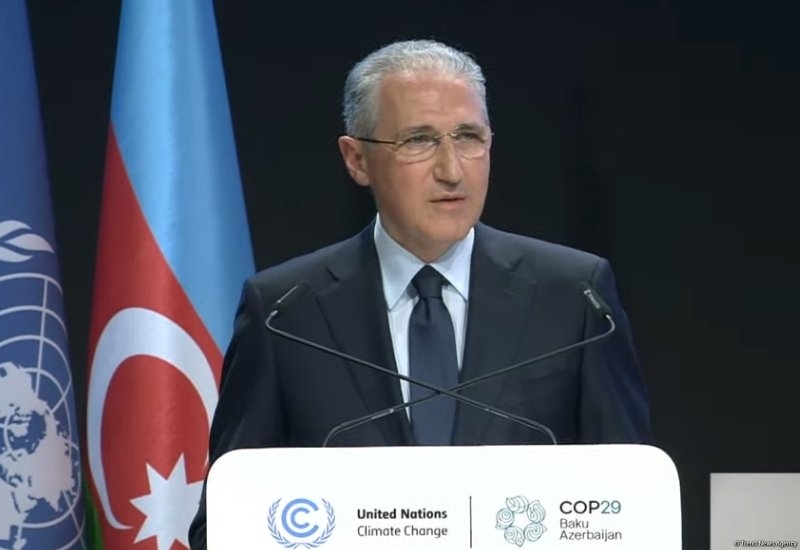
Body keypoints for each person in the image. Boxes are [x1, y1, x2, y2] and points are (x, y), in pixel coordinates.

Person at [188, 39, 651, 549]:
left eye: (469, 137)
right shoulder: (285, 311)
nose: (452, 169)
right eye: (418, 140)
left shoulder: (575, 296)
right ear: (357, 159)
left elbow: (631, 505)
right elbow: (224, 523)